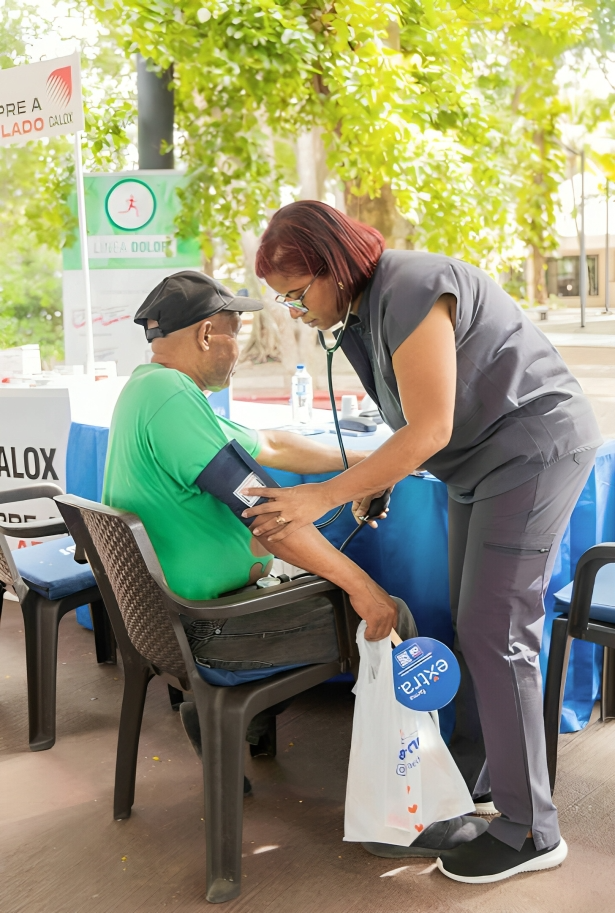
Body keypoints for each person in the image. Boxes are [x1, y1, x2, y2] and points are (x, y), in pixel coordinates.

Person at [243, 201, 602, 882]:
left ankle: (532, 831)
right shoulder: (360, 312)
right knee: (475, 619)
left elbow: (428, 429)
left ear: (329, 265)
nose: (294, 310)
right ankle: (485, 771)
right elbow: (413, 427)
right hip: (477, 468)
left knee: (497, 630)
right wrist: (372, 479)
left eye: (297, 294)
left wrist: (324, 492)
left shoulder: (409, 286)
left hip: (529, 451)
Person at [102, 270, 485, 854]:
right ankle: (409, 814)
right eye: (235, 334)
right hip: (214, 632)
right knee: (394, 619)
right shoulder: (172, 401)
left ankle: (225, 721)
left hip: (164, 626)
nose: (237, 350)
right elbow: (269, 518)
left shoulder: (149, 389)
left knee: (334, 587)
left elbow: (273, 445)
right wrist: (365, 590)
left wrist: (379, 462)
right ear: (208, 333)